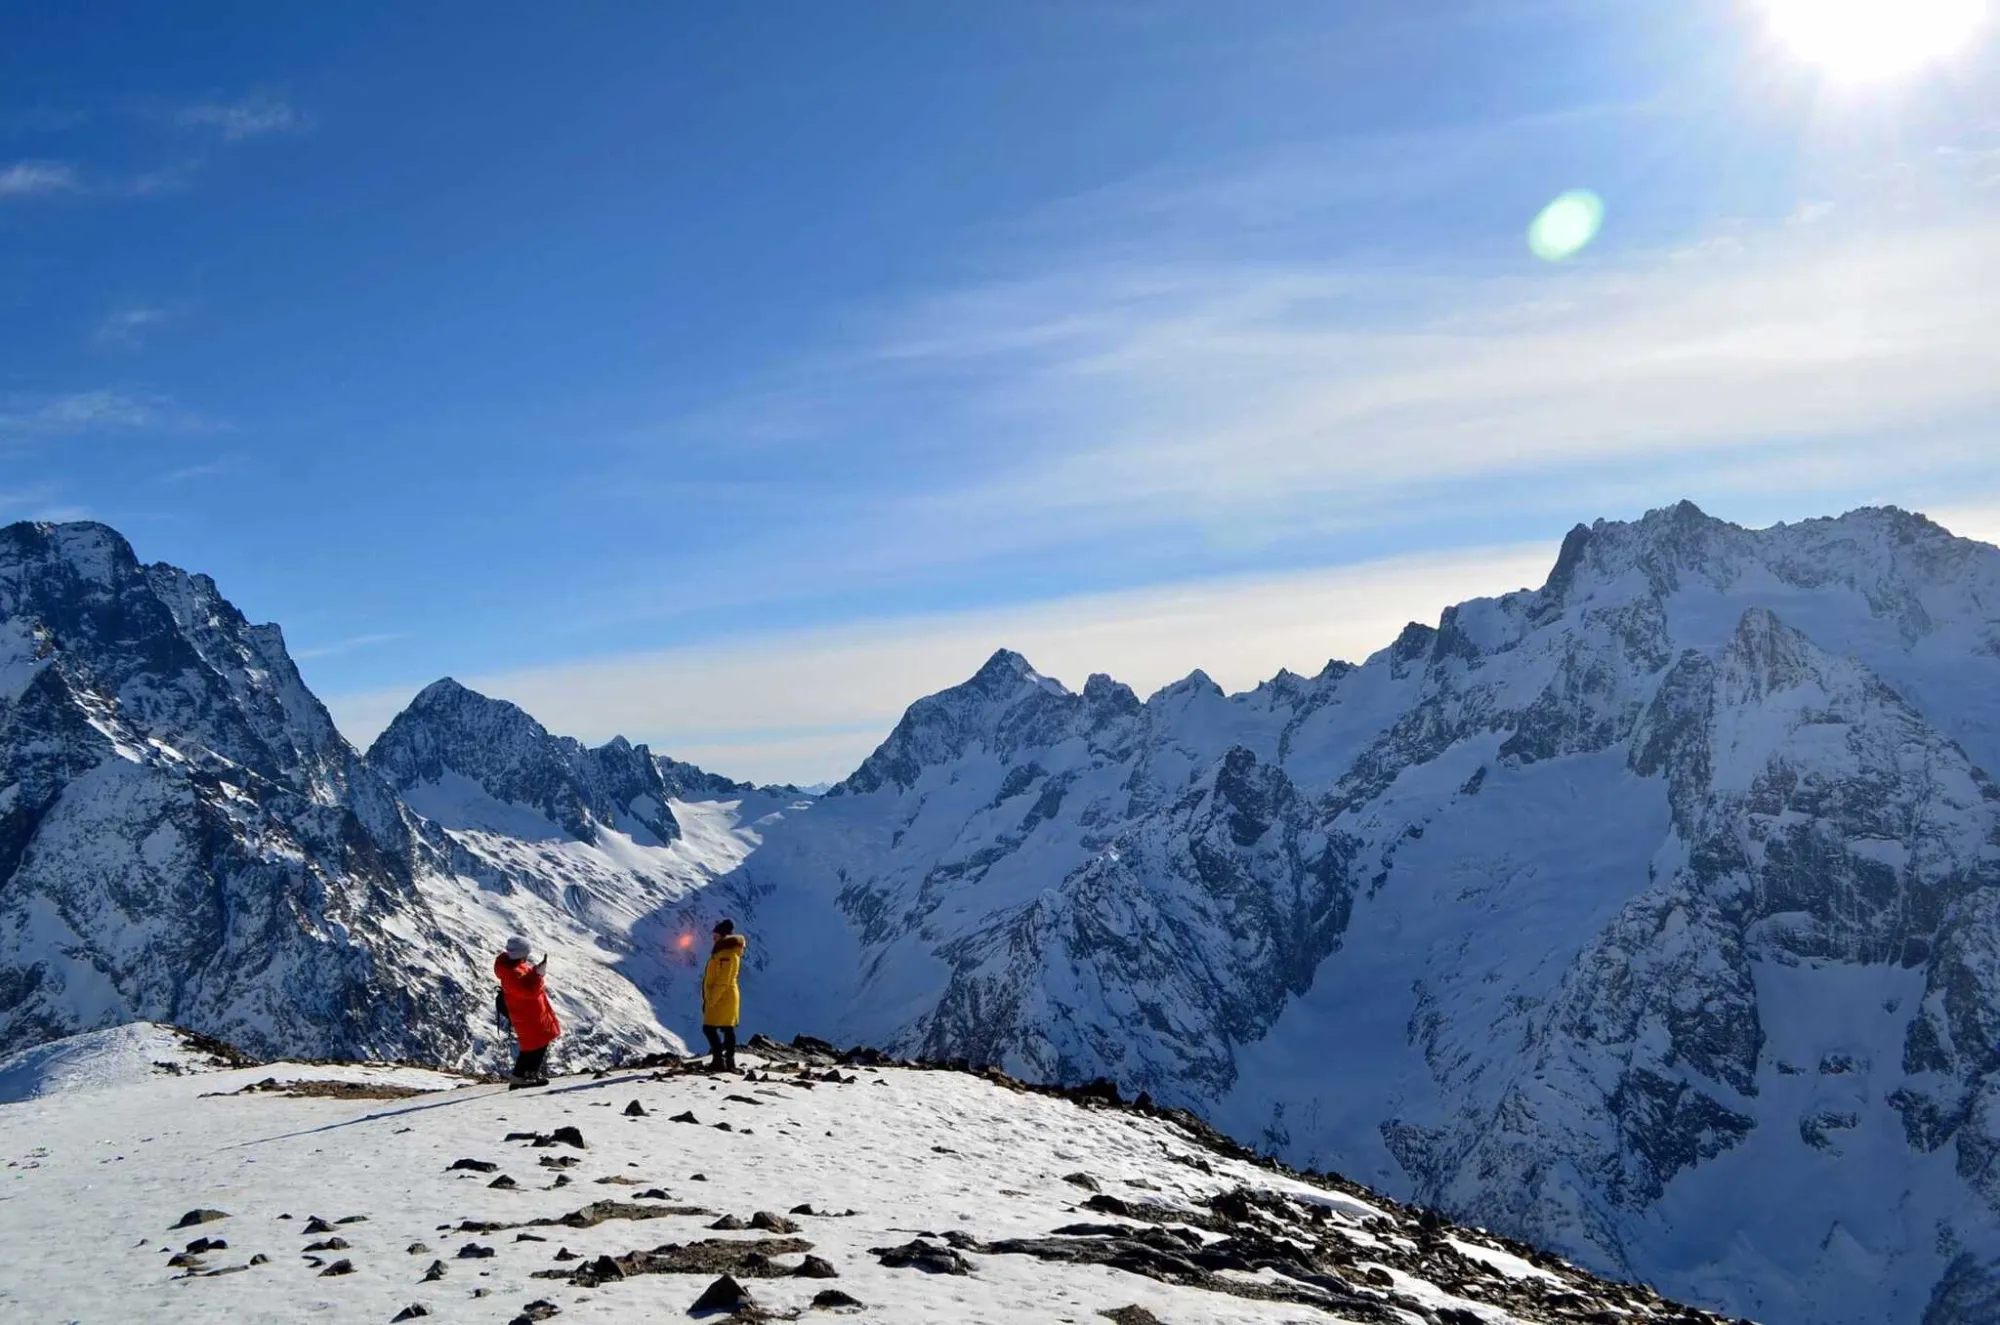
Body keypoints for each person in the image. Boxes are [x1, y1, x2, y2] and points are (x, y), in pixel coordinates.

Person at [495, 935, 561, 1088]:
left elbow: (524, 980)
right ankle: (528, 1075)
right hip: (528, 1013)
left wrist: (535, 971)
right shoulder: (512, 972)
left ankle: (520, 1076)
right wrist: (539, 975)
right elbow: (529, 991)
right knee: (537, 1043)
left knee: (533, 1043)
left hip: (529, 1012)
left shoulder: (512, 966)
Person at [701, 919, 747, 1072]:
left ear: (722, 935)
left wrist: (711, 999)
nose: (713, 938)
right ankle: (727, 1062)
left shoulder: (726, 954)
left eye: (715, 935)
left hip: (723, 996)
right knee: (727, 1029)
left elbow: (723, 979)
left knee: (710, 1028)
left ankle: (720, 1061)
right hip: (725, 996)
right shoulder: (725, 952)